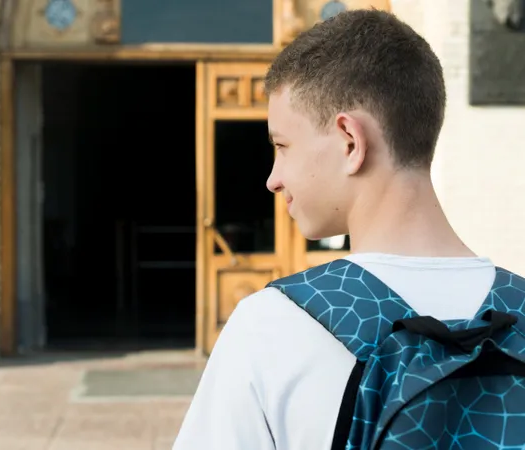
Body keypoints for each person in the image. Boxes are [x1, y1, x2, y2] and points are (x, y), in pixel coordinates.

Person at [173, 9, 506, 449]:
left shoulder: (273, 326)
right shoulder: (517, 310)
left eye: (282, 146)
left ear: (350, 141)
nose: (273, 179)